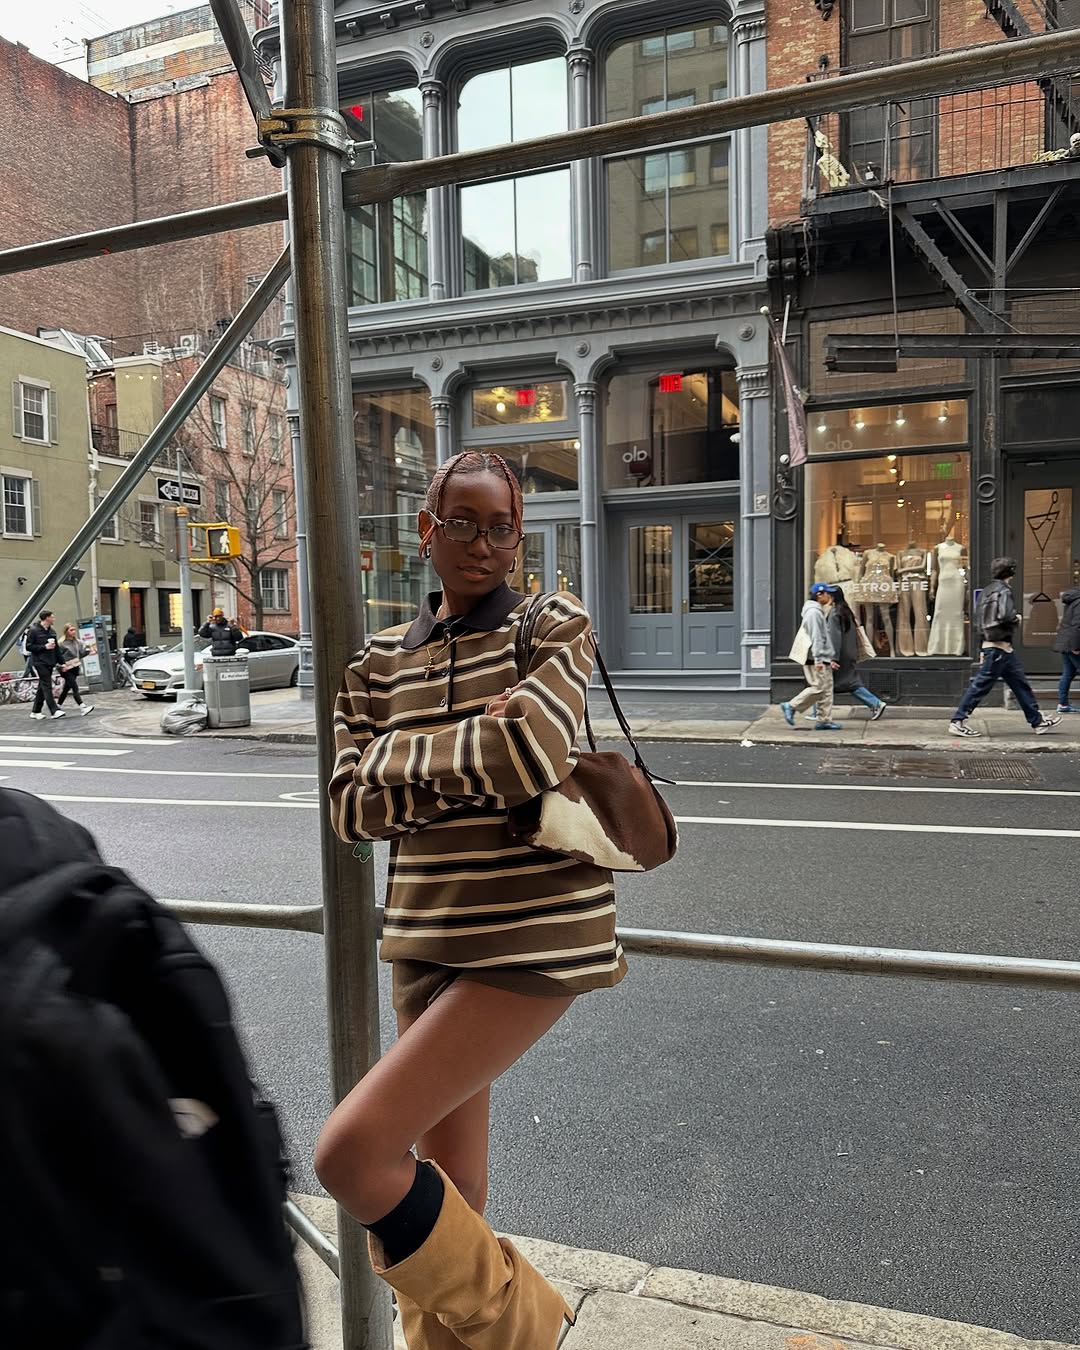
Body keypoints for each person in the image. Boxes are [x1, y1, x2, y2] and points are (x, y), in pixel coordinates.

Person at [317, 450, 625, 1349]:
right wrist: (468, 750)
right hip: (423, 934)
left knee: (356, 1156)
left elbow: (529, 753)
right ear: (428, 529)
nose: (485, 546)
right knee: (457, 1199)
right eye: (466, 524)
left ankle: (532, 1327)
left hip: (535, 934)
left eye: (503, 529)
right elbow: (348, 808)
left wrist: (401, 758)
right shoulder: (375, 663)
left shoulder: (551, 624)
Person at [949, 556, 1061, 737]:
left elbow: (978, 621)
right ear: (1011, 572)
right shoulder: (1004, 591)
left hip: (997, 648)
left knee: (1020, 685)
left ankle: (1038, 722)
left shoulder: (986, 591)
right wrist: (1016, 618)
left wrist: (981, 647)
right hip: (998, 648)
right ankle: (958, 720)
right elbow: (1006, 615)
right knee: (980, 686)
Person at [780, 582, 842, 731]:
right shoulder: (814, 613)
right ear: (819, 594)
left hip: (821, 656)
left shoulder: (816, 611)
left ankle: (824, 720)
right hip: (816, 657)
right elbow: (817, 637)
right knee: (819, 688)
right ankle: (791, 705)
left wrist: (828, 658)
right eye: (828, 593)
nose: (830, 596)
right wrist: (819, 659)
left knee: (826, 690)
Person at [26, 610, 64, 721]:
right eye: (52, 617)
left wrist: (62, 662)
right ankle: (54, 710)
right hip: (39, 662)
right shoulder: (33, 631)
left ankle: (35, 711)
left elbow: (56, 649)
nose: (54, 619)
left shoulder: (52, 632)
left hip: (50, 662)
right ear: (46, 618)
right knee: (47, 685)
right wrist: (44, 647)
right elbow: (29, 647)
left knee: (42, 687)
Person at [56, 623, 94, 716]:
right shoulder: (61, 644)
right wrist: (60, 666)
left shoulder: (78, 642)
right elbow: (56, 656)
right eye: (71, 630)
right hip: (66, 668)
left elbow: (80, 654)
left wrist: (88, 651)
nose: (73, 632)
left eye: (74, 630)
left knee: (66, 688)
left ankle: (57, 706)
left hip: (75, 667)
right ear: (66, 632)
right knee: (74, 687)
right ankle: (82, 707)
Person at [1053, 584, 1080, 713]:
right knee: (1068, 673)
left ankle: (1063, 705)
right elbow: (1077, 625)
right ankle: (1063, 705)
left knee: (1068, 673)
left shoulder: (1073, 598)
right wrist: (1076, 647)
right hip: (1072, 644)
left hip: (1065, 642)